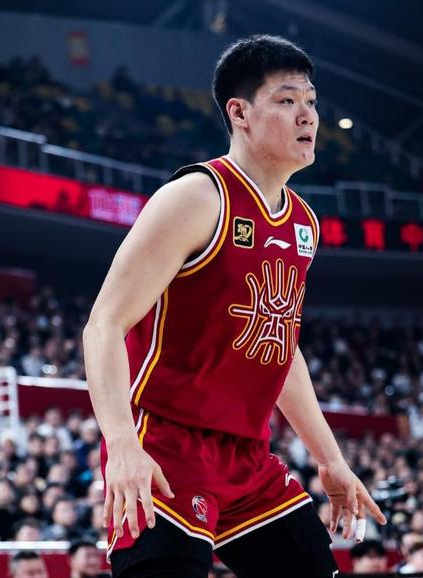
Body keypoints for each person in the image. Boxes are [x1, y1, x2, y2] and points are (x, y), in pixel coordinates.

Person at [83, 33, 386, 578]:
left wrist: (330, 459)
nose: (307, 115)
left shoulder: (303, 223)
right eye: (287, 100)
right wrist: (122, 444)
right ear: (239, 113)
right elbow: (103, 324)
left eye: (311, 101)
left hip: (247, 457)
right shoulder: (196, 197)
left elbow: (281, 348)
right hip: (165, 443)